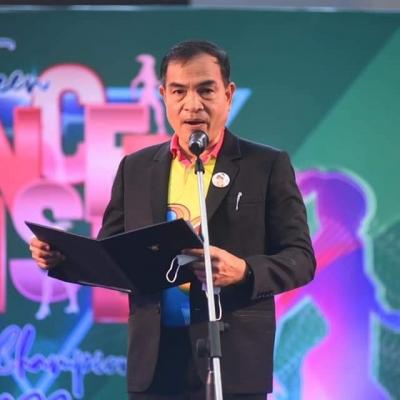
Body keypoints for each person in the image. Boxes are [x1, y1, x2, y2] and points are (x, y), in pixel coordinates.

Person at [29, 40, 316, 399]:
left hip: (231, 360)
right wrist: (60, 258)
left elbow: (301, 258)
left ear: (228, 95)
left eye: (206, 90)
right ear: (164, 96)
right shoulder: (135, 168)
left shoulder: (266, 165)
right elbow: (110, 259)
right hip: (155, 363)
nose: (192, 104)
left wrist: (244, 271)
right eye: (179, 91)